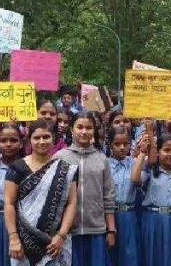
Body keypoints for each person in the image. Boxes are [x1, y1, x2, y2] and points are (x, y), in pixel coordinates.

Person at [4, 120, 79, 266]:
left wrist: (61, 235)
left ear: (53, 139)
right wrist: (13, 238)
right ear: (29, 140)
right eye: (37, 138)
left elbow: (71, 203)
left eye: (46, 137)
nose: (42, 141)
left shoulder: (65, 169)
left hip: (56, 243)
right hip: (23, 242)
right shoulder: (17, 168)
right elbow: (8, 203)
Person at [54, 112, 116, 265]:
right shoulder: (59, 157)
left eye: (88, 128)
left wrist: (111, 230)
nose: (84, 131)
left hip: (96, 230)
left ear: (94, 131)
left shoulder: (101, 159)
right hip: (68, 232)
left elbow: (108, 196)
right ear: (71, 129)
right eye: (79, 127)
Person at [132, 133, 171, 266]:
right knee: (153, 257)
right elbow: (135, 179)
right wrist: (143, 153)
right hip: (153, 221)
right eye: (166, 150)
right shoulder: (150, 171)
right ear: (158, 152)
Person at [0, 123, 23, 266]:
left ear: (21, 144)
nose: (8, 144)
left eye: (13, 140)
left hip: (21, 223)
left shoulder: (29, 168)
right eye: (3, 140)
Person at [108, 127, 140, 266]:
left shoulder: (134, 163)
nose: (122, 147)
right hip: (110, 215)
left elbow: (140, 177)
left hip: (129, 215)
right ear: (110, 145)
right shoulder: (104, 164)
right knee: (111, 254)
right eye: (117, 144)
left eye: (125, 144)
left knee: (129, 254)